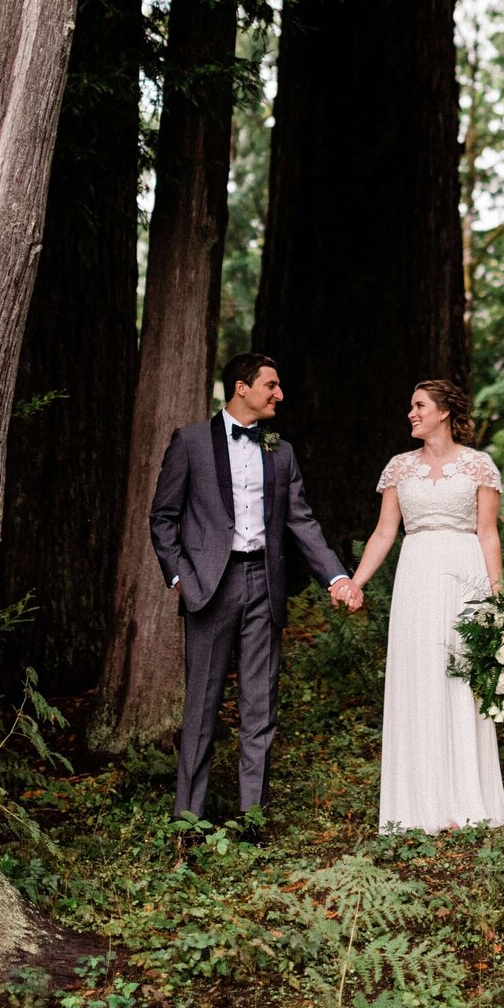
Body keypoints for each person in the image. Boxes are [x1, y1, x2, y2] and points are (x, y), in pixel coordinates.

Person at [149, 351, 356, 823]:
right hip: (209, 588)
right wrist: (181, 576)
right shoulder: (191, 441)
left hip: (266, 584)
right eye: (271, 385)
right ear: (242, 388)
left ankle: (252, 821)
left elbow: (301, 521)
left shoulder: (279, 449)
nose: (279, 395)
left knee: (260, 708)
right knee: (201, 709)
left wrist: (337, 574)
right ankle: (188, 821)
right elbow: (163, 518)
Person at [345, 378, 504, 833]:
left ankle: (466, 796)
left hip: (466, 576)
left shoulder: (479, 466)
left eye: (419, 405)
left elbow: (487, 533)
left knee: (462, 677)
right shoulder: (399, 468)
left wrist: (497, 596)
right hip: (417, 575)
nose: (411, 413)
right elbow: (385, 533)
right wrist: (355, 582)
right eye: (411, 405)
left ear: (443, 412)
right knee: (419, 675)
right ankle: (417, 802)